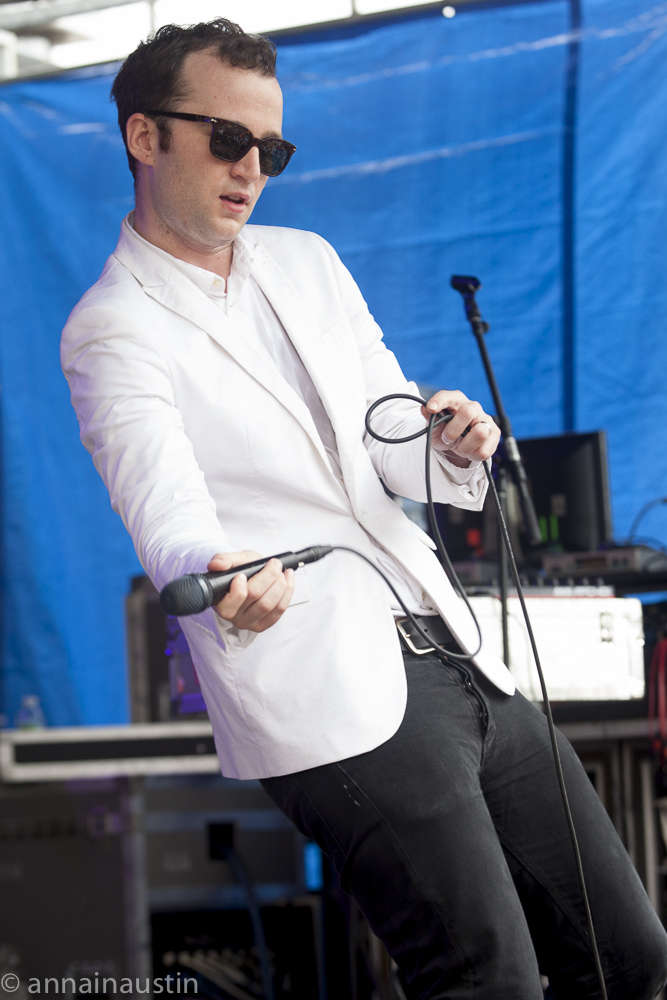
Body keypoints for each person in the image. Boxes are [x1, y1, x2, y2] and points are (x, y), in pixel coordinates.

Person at [60, 19, 667, 1000]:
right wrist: (217, 577)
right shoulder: (111, 327)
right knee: (488, 977)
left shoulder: (306, 260)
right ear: (144, 136)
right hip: (325, 676)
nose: (251, 167)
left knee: (628, 954)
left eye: (272, 149)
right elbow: (157, 490)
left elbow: (385, 429)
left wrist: (445, 442)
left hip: (457, 644)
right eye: (227, 139)